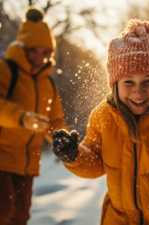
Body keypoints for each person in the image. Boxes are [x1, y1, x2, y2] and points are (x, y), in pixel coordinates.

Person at [52, 19, 149, 225]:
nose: (138, 91)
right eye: (128, 81)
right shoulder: (104, 116)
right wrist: (74, 155)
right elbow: (95, 161)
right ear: (115, 85)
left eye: (148, 81)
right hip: (118, 219)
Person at [0, 6, 68, 225]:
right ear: (23, 48)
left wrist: (62, 138)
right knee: (3, 210)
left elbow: (55, 120)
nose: (40, 57)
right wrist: (22, 117)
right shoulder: (6, 70)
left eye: (45, 52)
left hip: (28, 164)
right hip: (2, 158)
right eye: (34, 51)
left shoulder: (48, 84)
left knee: (20, 217)